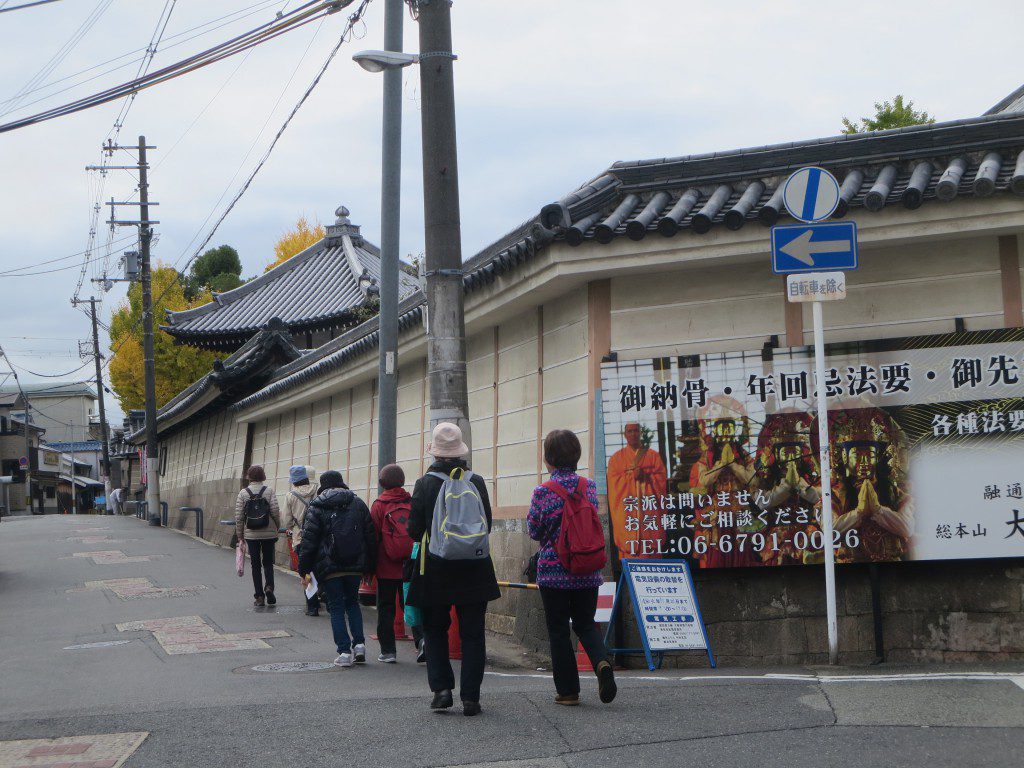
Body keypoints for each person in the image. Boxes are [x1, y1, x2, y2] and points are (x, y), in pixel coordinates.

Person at [407, 423, 500, 717]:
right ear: (460, 452)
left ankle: (442, 691)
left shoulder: (425, 484)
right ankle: (471, 698)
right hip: (475, 567)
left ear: (434, 452)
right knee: (473, 634)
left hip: (435, 568)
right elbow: (488, 523)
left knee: (435, 630)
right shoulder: (477, 481)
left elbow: (413, 530)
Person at [528, 429, 617, 706]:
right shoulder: (588, 486)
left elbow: (534, 529)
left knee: (558, 630)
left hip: (554, 573)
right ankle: (601, 662)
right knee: (585, 624)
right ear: (576, 455)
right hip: (586, 569)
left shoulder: (543, 492)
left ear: (548, 459)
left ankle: (568, 692)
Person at [297, 470, 376, 667]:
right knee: (352, 604)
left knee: (337, 607)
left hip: (330, 567)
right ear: (342, 483)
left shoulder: (317, 507)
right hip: (355, 566)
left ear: (323, 487)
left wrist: (304, 569)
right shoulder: (357, 503)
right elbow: (370, 536)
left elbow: (309, 542)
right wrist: (369, 566)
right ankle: (359, 646)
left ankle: (344, 653)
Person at [370, 463, 424, 663]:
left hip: (386, 566)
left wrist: (370, 566)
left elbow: (373, 537)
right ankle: (423, 641)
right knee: (412, 604)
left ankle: (388, 651)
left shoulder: (379, 505)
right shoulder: (412, 502)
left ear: (382, 482)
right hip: (410, 564)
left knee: (385, 608)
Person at [607, 422, 668, 560]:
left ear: (640, 433)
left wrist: (646, 477)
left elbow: (661, 480)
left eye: (636, 431)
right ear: (625, 434)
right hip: (628, 513)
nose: (633, 434)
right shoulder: (616, 459)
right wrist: (630, 478)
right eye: (630, 431)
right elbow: (613, 485)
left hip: (648, 512)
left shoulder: (653, 456)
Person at [235, 465, 282, 607]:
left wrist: (240, 535)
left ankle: (259, 596)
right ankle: (269, 587)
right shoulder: (269, 491)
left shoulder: (243, 493)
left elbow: (239, 517)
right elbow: (275, 511)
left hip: (251, 534)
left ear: (249, 477)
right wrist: (277, 527)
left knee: (255, 565)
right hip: (268, 534)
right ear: (263, 476)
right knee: (268, 563)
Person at [284, 465, 319, 616]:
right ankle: (325, 598)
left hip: (301, 539)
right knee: (320, 569)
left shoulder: (290, 496)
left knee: (307, 571)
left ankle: (312, 606)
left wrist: (294, 526)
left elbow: (286, 521)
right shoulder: (317, 491)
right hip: (318, 536)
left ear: (293, 481)